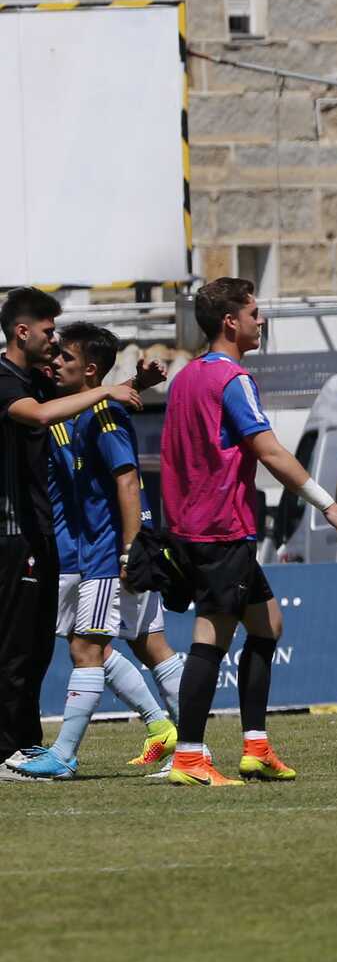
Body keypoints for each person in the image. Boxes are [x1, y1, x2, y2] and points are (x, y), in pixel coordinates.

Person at [156, 278, 337, 787]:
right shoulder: (233, 379)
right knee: (211, 636)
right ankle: (189, 756)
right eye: (254, 312)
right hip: (221, 529)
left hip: (192, 527)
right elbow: (270, 452)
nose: (261, 320)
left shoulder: (185, 378)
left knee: (268, 626)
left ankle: (256, 747)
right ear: (231, 322)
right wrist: (330, 505)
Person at [6, 325, 179, 779]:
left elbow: (127, 481)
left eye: (65, 356)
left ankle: (65, 754)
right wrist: (135, 383)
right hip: (85, 550)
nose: (55, 361)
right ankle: (179, 740)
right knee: (142, 645)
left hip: (105, 552)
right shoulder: (77, 409)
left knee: (90, 647)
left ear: (88, 369)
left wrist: (129, 550)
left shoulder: (103, 416)